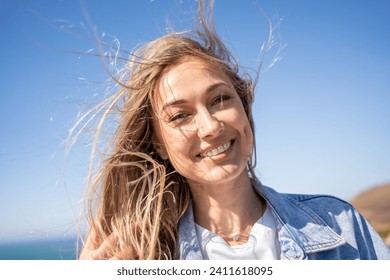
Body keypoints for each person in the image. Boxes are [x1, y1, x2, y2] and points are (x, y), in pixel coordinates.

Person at [77, 0, 390, 260]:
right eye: (180, 116)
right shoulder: (147, 260)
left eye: (220, 99)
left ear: (244, 107)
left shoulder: (341, 224)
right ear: (158, 145)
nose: (211, 126)